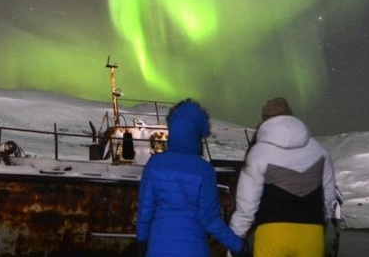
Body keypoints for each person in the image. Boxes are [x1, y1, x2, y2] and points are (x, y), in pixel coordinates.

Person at [137, 99, 247, 257]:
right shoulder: (204, 169)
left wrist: (142, 241)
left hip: (158, 249)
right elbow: (210, 220)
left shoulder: (155, 164)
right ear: (197, 134)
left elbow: (145, 211)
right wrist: (238, 246)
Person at [230, 98, 336, 257]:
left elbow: (247, 204)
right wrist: (323, 224)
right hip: (312, 232)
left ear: (264, 120)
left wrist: (236, 237)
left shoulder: (259, 153)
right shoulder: (320, 151)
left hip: (272, 232)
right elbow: (328, 198)